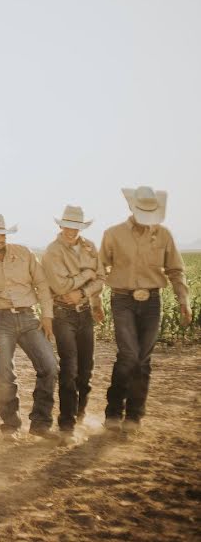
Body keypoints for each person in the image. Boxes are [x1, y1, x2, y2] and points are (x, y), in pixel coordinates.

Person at [100, 186, 192, 433]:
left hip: (152, 301)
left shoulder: (164, 235)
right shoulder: (113, 234)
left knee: (142, 359)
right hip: (122, 300)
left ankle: (134, 416)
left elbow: (175, 270)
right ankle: (113, 411)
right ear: (132, 207)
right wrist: (94, 300)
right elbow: (99, 269)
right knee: (129, 354)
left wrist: (183, 300)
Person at [0, 214, 59, 440]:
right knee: (3, 374)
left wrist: (47, 316)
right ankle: (10, 425)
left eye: (2, 234)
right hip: (0, 320)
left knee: (50, 367)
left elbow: (41, 283)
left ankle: (40, 423)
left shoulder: (24, 254)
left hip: (29, 318)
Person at [42, 205, 105, 442]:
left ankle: (80, 416)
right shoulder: (52, 252)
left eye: (76, 226)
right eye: (68, 225)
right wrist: (86, 276)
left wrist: (83, 291)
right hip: (63, 314)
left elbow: (101, 278)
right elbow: (59, 287)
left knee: (86, 369)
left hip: (85, 313)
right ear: (60, 225)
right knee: (69, 368)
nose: (71, 230)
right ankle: (66, 425)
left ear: (81, 227)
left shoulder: (90, 247)